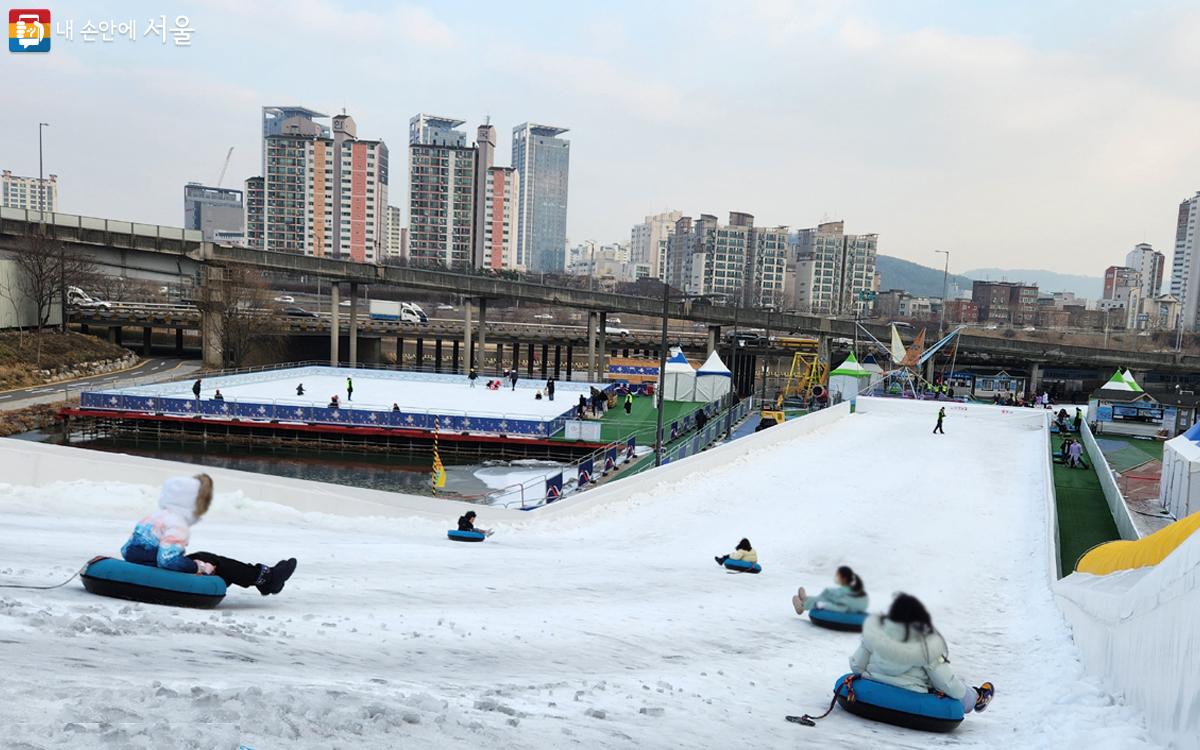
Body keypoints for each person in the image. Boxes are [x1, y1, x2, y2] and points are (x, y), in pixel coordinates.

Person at [120, 474, 297, 596]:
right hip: (159, 571)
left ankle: (262, 578)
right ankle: (266, 578)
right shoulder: (177, 523)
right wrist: (198, 567)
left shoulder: (153, 517)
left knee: (207, 558)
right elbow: (167, 560)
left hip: (146, 565)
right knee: (213, 562)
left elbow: (126, 550)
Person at [849, 593, 994, 715]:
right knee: (951, 685)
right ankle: (977, 697)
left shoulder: (876, 636)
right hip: (910, 694)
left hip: (872, 689)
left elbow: (856, 666)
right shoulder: (926, 645)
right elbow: (946, 683)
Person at [793, 565, 869, 615]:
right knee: (824, 597)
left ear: (844, 578)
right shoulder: (851, 589)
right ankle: (806, 599)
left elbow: (842, 608)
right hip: (847, 602)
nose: (836, 577)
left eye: (838, 575)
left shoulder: (846, 595)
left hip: (845, 606)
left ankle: (801, 607)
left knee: (820, 600)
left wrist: (823, 605)